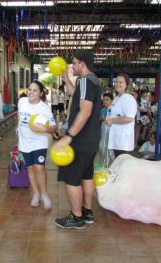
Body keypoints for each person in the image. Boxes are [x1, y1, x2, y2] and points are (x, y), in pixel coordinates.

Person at [54, 50, 101, 229]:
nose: (72, 66)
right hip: (91, 140)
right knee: (87, 176)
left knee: (72, 179)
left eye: (74, 63)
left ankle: (77, 217)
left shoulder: (86, 81)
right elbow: (78, 97)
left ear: (82, 64)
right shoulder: (93, 82)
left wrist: (69, 136)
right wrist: (66, 78)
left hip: (81, 140)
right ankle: (87, 212)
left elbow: (85, 111)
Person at [17, 80, 57, 210]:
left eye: (35, 90)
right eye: (29, 89)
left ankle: (44, 195)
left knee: (39, 168)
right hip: (24, 143)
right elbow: (19, 114)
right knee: (30, 169)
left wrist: (44, 129)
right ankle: (36, 194)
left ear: (40, 94)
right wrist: (18, 126)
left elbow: (54, 127)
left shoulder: (44, 108)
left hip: (39, 142)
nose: (31, 92)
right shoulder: (22, 102)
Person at [106, 73, 137, 157]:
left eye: (121, 82)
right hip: (116, 140)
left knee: (123, 167)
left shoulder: (128, 98)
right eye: (116, 82)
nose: (117, 84)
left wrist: (112, 121)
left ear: (126, 84)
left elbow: (129, 118)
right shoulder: (117, 97)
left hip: (123, 142)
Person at [99, 93, 113, 166]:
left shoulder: (113, 109)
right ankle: (103, 164)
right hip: (103, 130)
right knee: (102, 147)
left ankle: (109, 165)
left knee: (109, 148)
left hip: (110, 131)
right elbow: (100, 119)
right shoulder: (102, 110)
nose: (105, 101)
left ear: (112, 100)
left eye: (107, 100)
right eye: (104, 100)